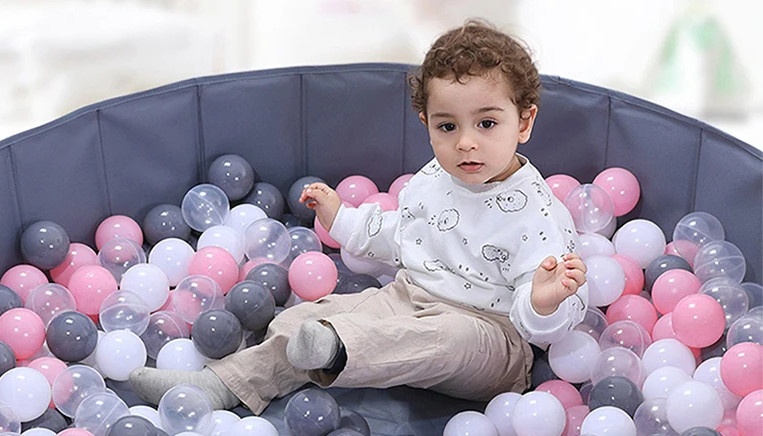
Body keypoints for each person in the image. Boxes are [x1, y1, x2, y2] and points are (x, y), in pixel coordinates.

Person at [130, 19, 588, 414]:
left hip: (492, 339)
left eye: (487, 123)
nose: (465, 142)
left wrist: (543, 302)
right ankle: (219, 385)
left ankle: (338, 349)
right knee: (305, 321)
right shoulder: (436, 177)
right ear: (426, 124)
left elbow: (543, 328)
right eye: (447, 126)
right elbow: (404, 235)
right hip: (408, 298)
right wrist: (343, 220)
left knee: (445, 338)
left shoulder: (537, 215)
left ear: (524, 122)